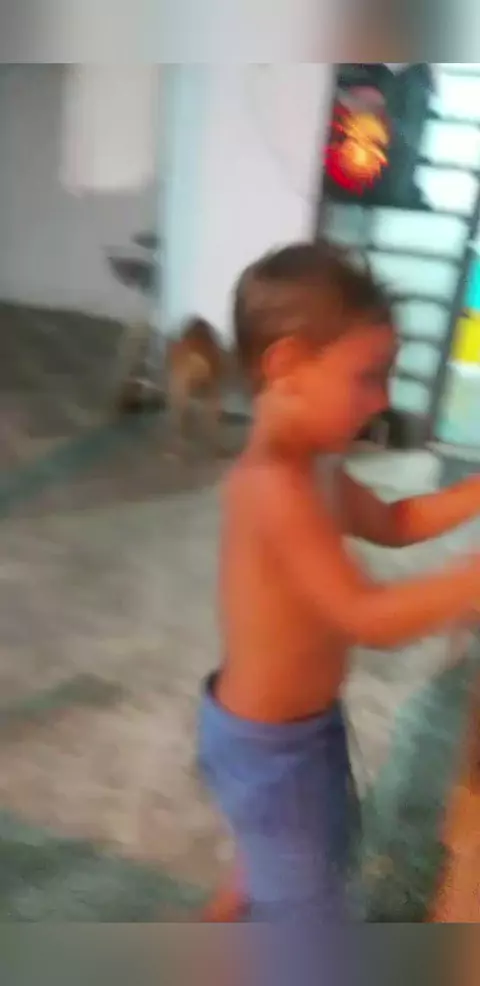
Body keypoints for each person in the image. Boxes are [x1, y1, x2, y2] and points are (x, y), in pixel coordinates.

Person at [198, 242, 480, 926]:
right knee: (307, 902)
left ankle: (240, 899)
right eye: (369, 376)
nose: (382, 399)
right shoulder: (272, 485)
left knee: (298, 849)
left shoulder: (318, 467)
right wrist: (468, 582)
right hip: (269, 746)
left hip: (306, 725)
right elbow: (364, 616)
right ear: (287, 365)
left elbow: (395, 521)